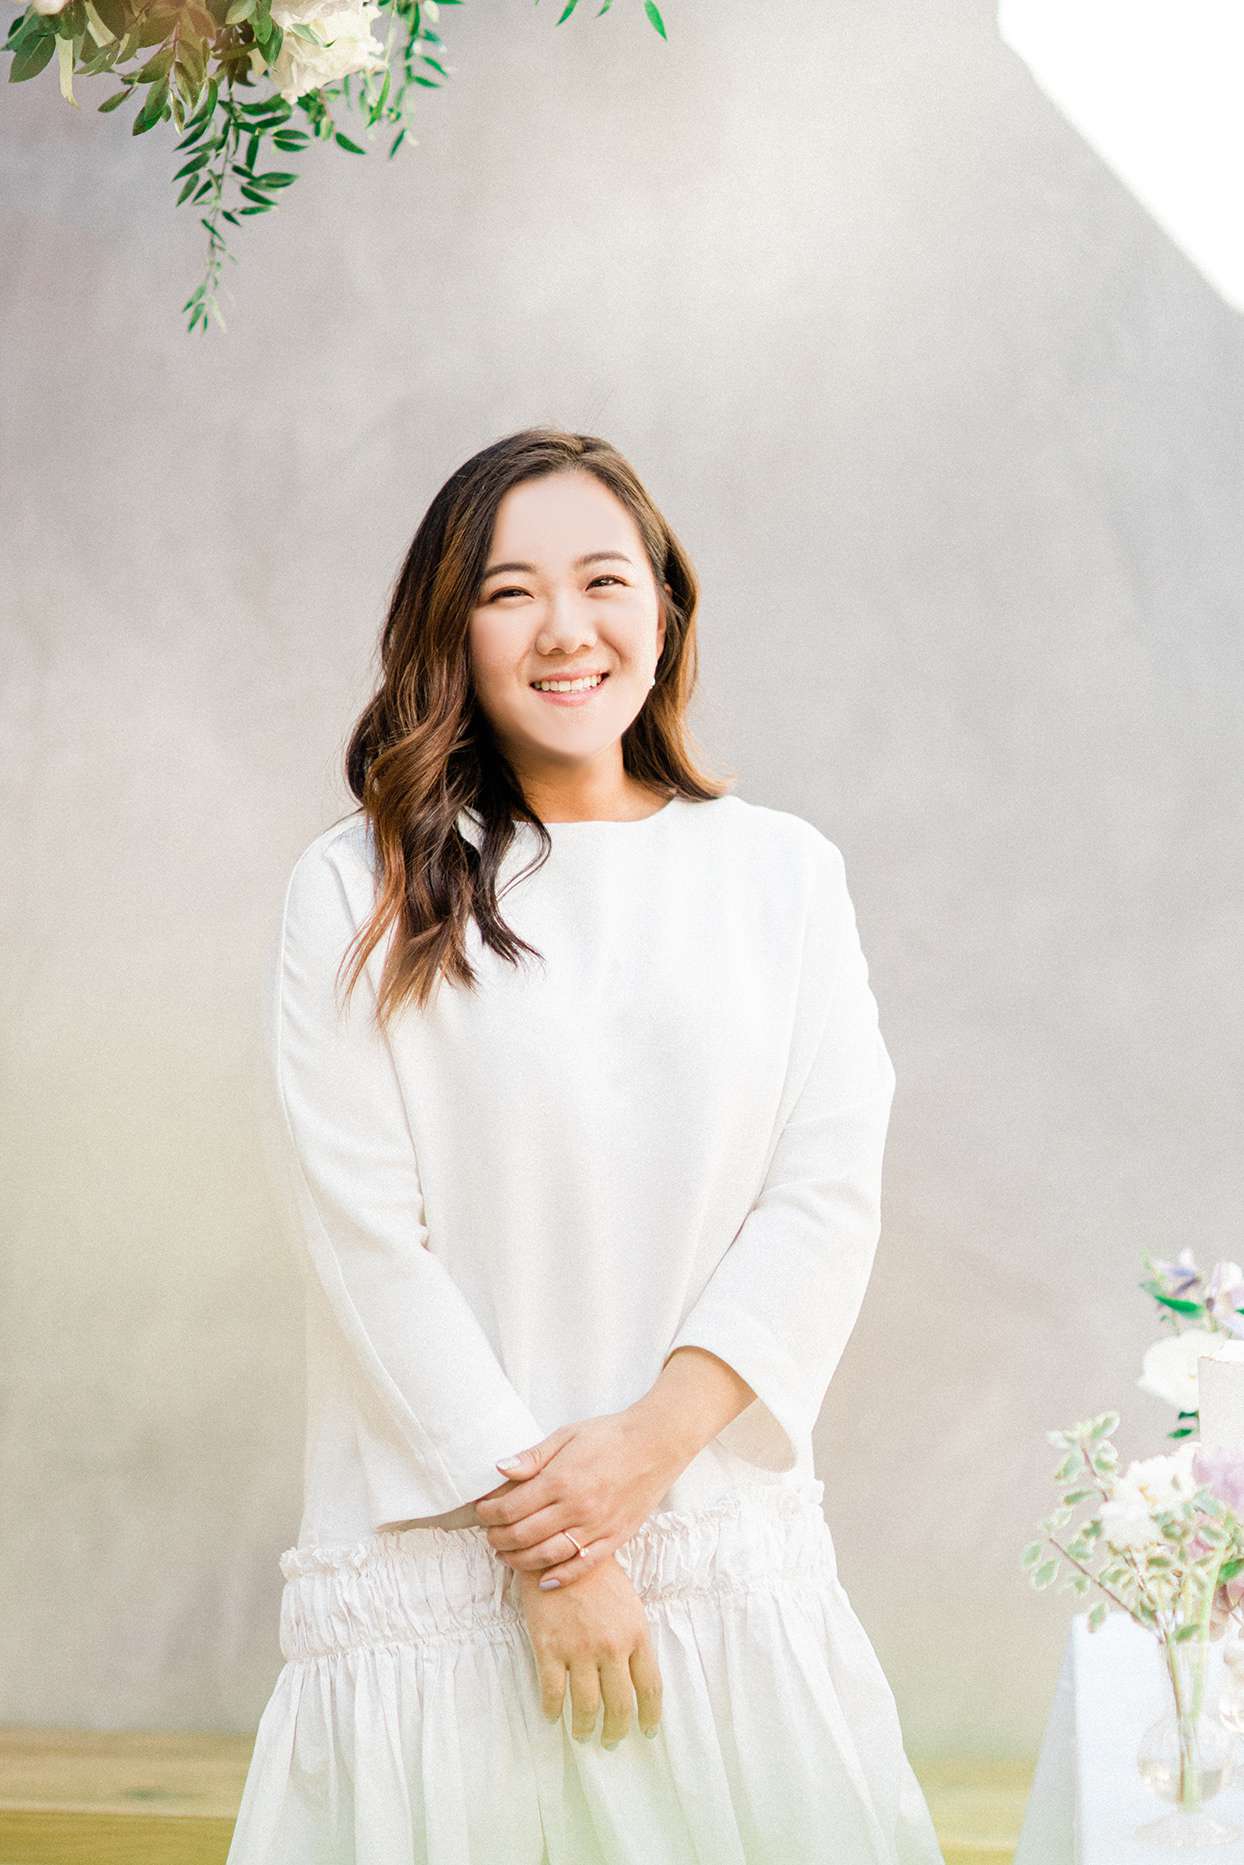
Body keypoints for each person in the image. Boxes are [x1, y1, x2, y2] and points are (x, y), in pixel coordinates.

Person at [225, 427, 946, 1865]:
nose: (567, 628)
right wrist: (553, 1544)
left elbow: (822, 1198)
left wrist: (643, 1455)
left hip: (719, 1574)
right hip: (442, 1597)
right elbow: (366, 1240)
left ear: (665, 607)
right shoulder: (353, 886)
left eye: (605, 578)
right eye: (510, 592)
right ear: (453, 630)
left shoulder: (783, 876)